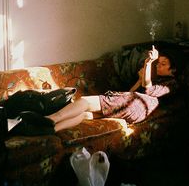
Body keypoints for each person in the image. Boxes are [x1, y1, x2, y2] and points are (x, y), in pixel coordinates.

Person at [42, 46, 179, 133]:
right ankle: (52, 130)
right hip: (134, 109)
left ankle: (49, 119)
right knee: (85, 115)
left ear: (173, 70)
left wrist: (148, 62)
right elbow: (132, 93)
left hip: (137, 106)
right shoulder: (157, 80)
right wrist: (139, 80)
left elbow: (148, 90)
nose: (158, 66)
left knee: (85, 101)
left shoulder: (171, 84)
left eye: (163, 64)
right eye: (158, 63)